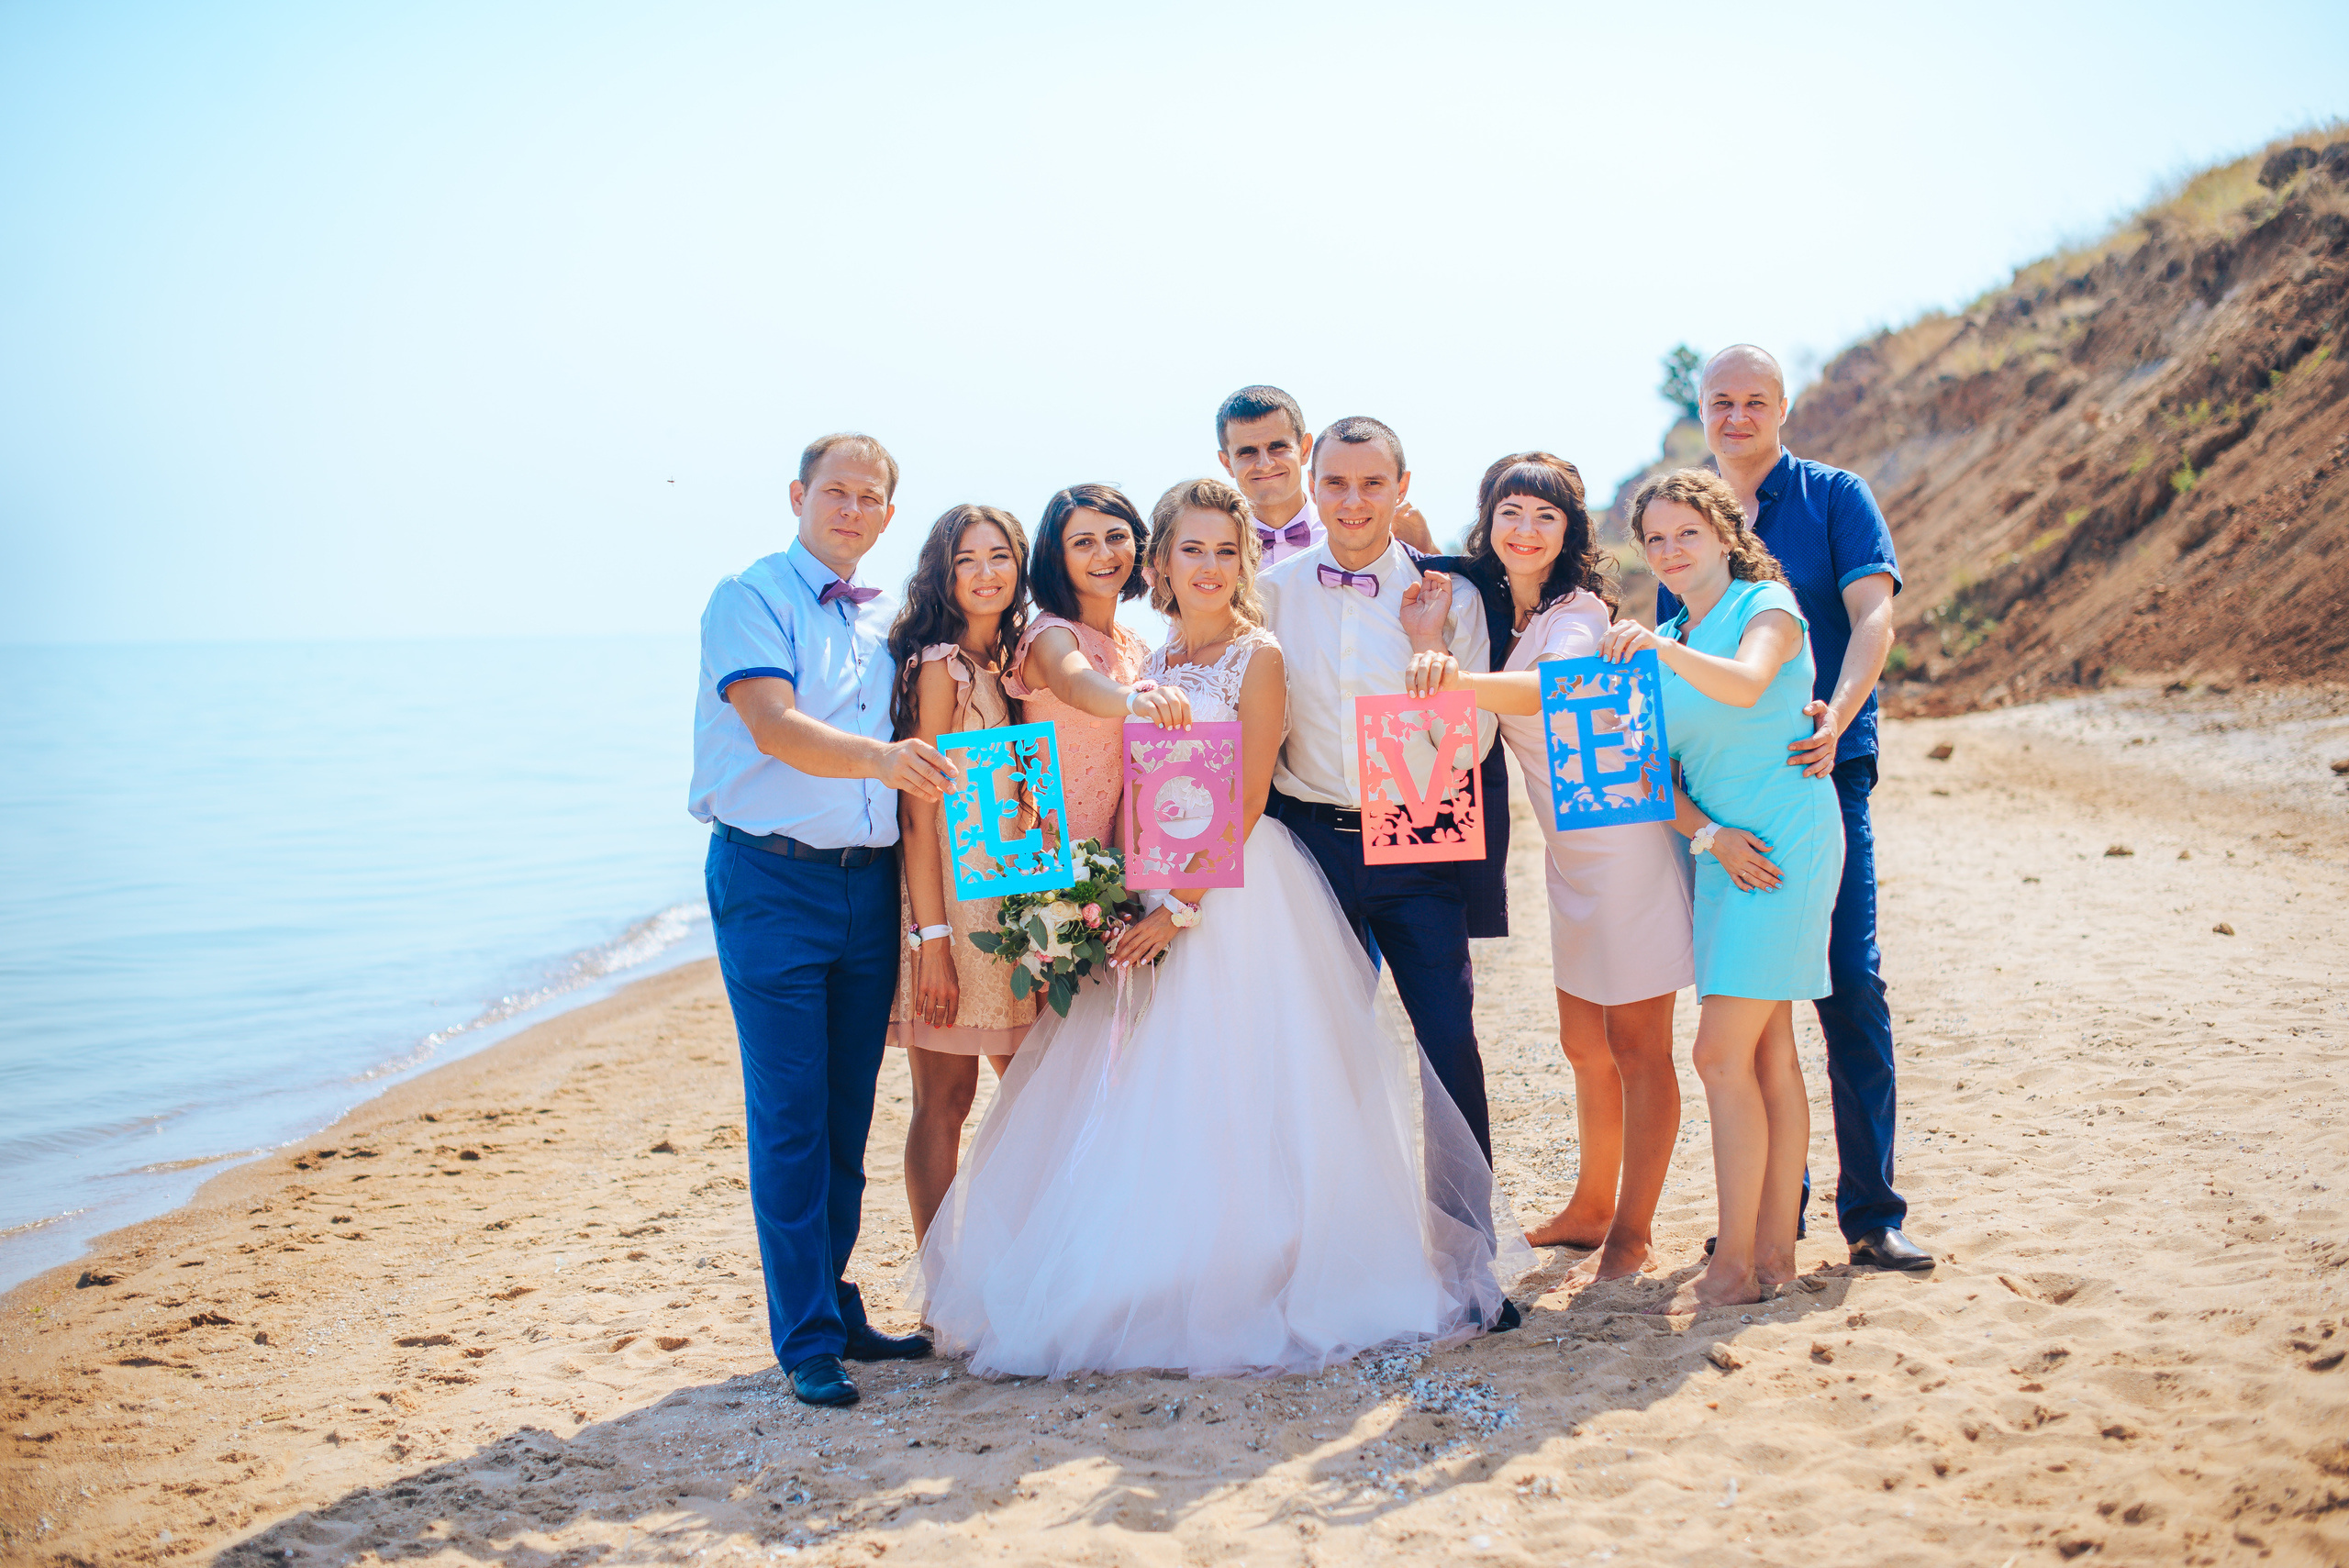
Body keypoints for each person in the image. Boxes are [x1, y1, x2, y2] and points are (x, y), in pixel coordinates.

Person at [912, 477, 1530, 1376]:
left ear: (1244, 561)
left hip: (1233, 894)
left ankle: (1274, 1266)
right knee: (1167, 1088)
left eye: (1224, 550)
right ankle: (1178, 1262)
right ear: (1161, 562)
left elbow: (1243, 797)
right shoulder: (1153, 657)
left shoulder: (1258, 653)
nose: (1208, 566)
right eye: (1190, 549)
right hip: (1148, 888)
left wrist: (1180, 908)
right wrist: (1123, 891)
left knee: (1251, 1081)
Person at [1653, 345, 1929, 1273]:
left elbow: (1873, 616)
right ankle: (1780, 1206)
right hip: (1725, 804)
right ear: (1702, 408)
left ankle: (1872, 1212)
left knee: (1848, 979)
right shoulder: (1686, 527)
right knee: (1759, 1009)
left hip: (1820, 769)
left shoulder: (1834, 496)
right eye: (1720, 400)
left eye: (1754, 399)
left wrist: (1837, 713)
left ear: (1782, 406)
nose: (1737, 415)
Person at [688, 432, 950, 1408]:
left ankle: (835, 1307)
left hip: (867, 886)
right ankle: (804, 1337)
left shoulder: (888, 617)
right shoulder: (749, 595)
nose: (851, 508)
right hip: (770, 880)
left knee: (847, 1112)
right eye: (835, 491)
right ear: (798, 495)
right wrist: (884, 762)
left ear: (888, 514)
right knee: (791, 1114)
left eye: (869, 496)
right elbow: (772, 725)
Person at [1404, 454, 1694, 1280]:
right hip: (1572, 859)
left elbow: (1550, 689)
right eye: (1511, 512)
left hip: (1627, 848)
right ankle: (1592, 1207)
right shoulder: (1504, 612)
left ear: (1570, 532)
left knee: (1639, 1047)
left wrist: (1446, 672)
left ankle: (1632, 1229)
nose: (1525, 529)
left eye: (1545, 515)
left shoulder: (1577, 612)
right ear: (1489, 522)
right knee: (1583, 1043)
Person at [1260, 418, 1513, 1282]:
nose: (1353, 501)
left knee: (1447, 1042)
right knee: (1317, 1047)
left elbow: (1473, 740)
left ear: (1403, 487)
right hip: (1308, 841)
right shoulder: (1271, 592)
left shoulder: (1452, 598)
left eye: (1373, 483)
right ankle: (1329, 1253)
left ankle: (1467, 1257)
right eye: (1335, 482)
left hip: (1419, 835)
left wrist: (1427, 649)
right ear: (1312, 486)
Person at [1600, 469, 1841, 1311]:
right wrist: (1709, 835)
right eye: (1655, 539)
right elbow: (1645, 774)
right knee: (1767, 1054)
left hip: (1786, 844)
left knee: (1717, 1054)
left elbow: (1746, 682)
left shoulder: (1765, 605)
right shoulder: (1666, 635)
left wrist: (1660, 650)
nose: (1670, 551)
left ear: (1725, 535)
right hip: (1723, 855)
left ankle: (1734, 1264)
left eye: (1687, 533)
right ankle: (1775, 1256)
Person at [883, 504, 1041, 1245]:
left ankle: (1019, 1259)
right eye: (967, 559)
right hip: (948, 911)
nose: (986, 573)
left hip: (1009, 909)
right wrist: (933, 941)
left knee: (1039, 1090)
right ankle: (941, 1278)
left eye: (999, 556)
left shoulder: (1010, 666)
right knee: (945, 1099)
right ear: (943, 574)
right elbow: (917, 815)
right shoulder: (938, 666)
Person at [1006, 484, 1186, 847]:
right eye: (1083, 543)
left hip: (1124, 858)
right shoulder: (1050, 633)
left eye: (1116, 537)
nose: (1104, 554)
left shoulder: (1137, 646)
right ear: (1057, 558)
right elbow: (1075, 681)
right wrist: (1135, 700)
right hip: (1053, 861)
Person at [1216, 384, 1436, 562]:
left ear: (1304, 449)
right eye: (1247, 452)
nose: (1265, 464)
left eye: (1278, 447)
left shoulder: (1367, 529)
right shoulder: (1213, 547)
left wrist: (1427, 550)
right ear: (1227, 463)